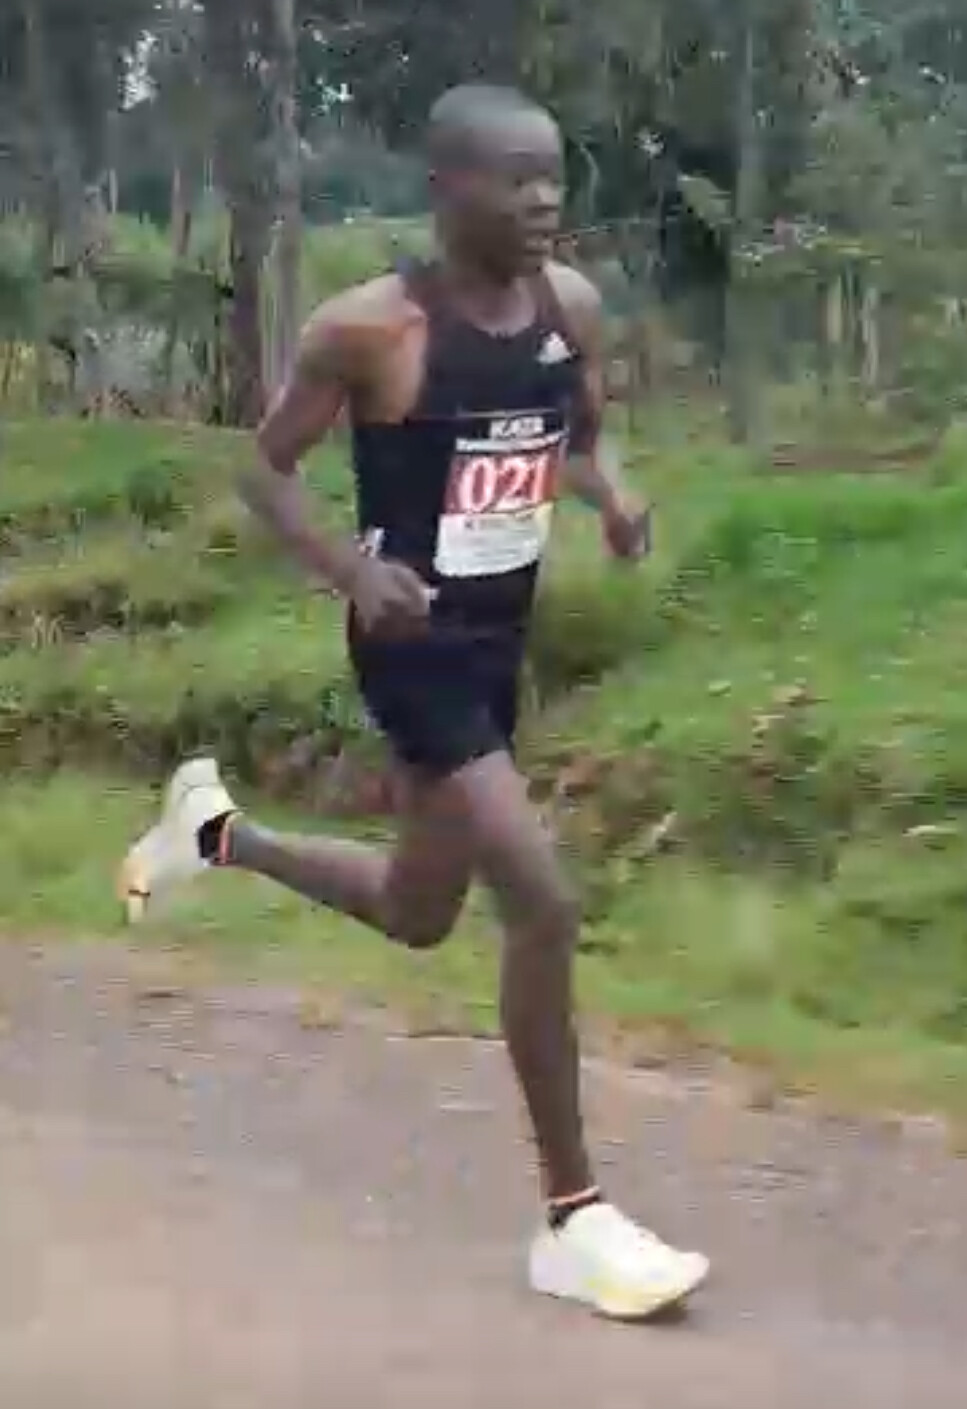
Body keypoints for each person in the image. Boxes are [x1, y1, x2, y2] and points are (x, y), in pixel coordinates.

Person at [117, 83, 708, 1321]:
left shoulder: (568, 306)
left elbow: (578, 437)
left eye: (554, 177)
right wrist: (350, 567)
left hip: (499, 644)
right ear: (448, 189)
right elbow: (264, 468)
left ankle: (216, 834)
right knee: (543, 902)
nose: (543, 200)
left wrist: (611, 494)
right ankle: (575, 1217)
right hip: (410, 646)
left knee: (415, 910)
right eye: (515, 178)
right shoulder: (371, 329)